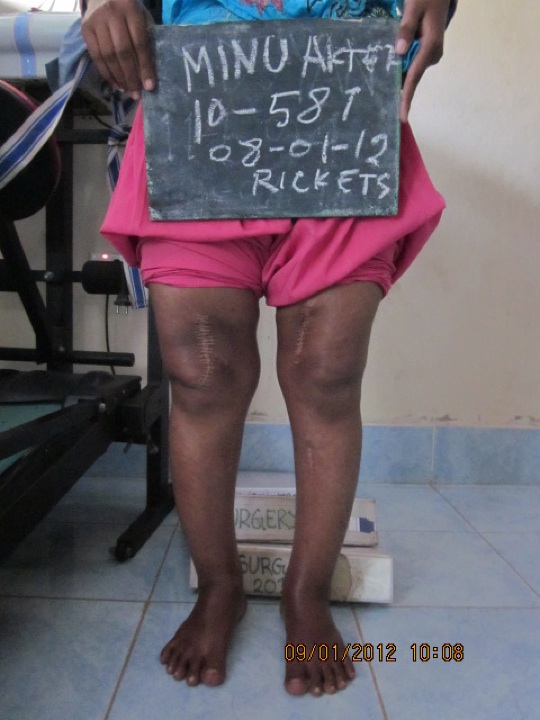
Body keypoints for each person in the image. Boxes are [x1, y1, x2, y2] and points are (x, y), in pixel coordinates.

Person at [81, 0, 456, 697]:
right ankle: (219, 586)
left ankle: (306, 591)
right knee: (203, 379)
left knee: (327, 375)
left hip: (341, 118)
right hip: (197, 113)